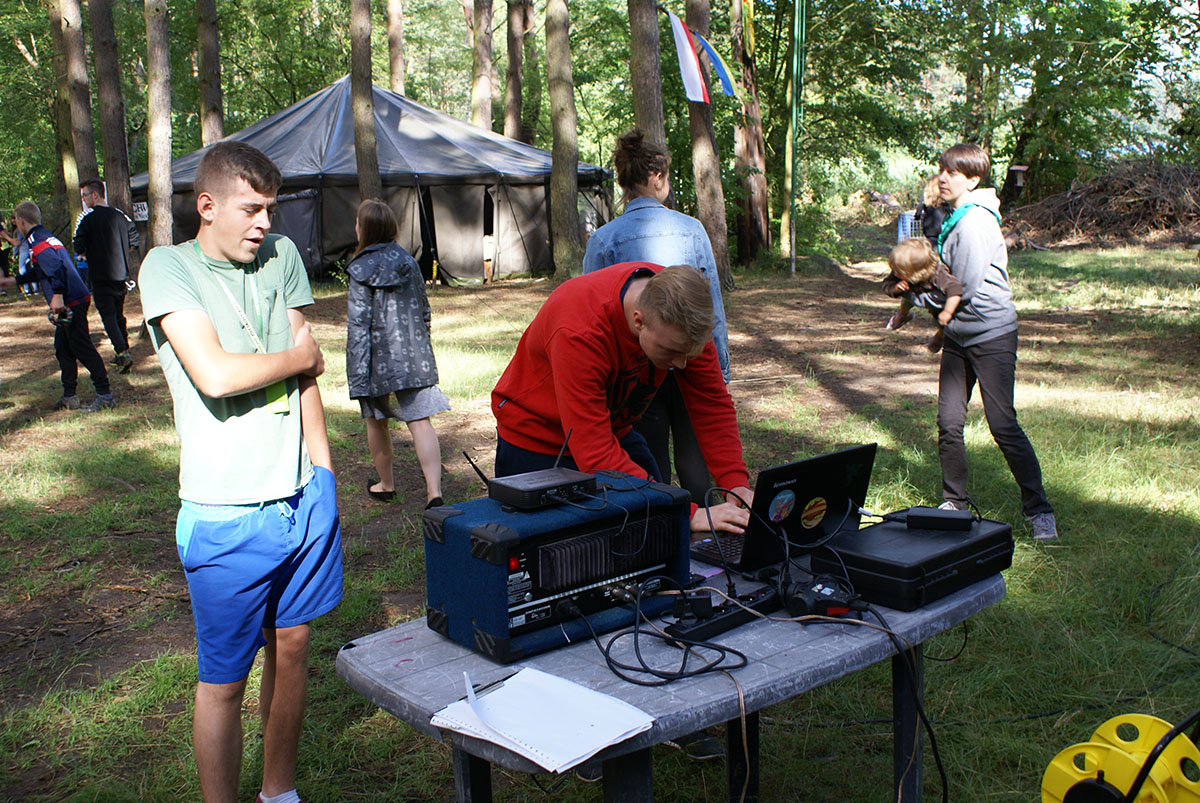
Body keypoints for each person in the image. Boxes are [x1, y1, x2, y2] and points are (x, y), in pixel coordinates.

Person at [139, 140, 342, 803]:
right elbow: (217, 375)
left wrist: (324, 474)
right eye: (251, 209)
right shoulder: (168, 267)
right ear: (207, 205)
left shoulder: (280, 256)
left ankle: (278, 791)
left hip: (302, 497)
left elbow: (308, 373)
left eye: (270, 209)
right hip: (225, 513)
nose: (265, 223)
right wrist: (300, 357)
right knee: (224, 680)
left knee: (293, 645)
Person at [492, 262, 752, 535]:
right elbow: (595, 452)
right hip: (537, 441)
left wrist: (735, 484)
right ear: (639, 321)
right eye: (672, 352)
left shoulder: (686, 310)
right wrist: (684, 512)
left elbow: (711, 404)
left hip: (612, 432)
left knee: (654, 534)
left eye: (689, 354)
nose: (682, 364)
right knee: (564, 548)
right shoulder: (580, 330)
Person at [582, 130, 731, 504]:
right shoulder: (691, 229)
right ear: (658, 176)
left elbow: (593, 308)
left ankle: (665, 523)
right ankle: (710, 529)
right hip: (692, 362)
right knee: (696, 464)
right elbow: (710, 305)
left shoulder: (604, 239)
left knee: (651, 465)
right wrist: (721, 369)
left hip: (638, 369)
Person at [934, 143, 1057, 541]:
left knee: (1002, 425)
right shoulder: (953, 217)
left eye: (952, 173)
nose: (942, 178)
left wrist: (915, 296)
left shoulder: (973, 222)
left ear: (972, 180)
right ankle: (954, 503)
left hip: (991, 335)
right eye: (941, 170)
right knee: (949, 422)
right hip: (959, 336)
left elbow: (962, 289)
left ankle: (1039, 510)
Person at [345, 199, 448, 508]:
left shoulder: (359, 269)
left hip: (375, 361)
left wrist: (357, 372)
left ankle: (386, 484)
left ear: (364, 228)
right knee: (420, 421)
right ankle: (434, 493)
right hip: (414, 356)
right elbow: (424, 311)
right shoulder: (409, 263)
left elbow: (358, 325)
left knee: (375, 421)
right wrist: (422, 346)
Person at [12, 200, 115, 412]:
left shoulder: (37, 241)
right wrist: (15, 281)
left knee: (81, 347)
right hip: (74, 298)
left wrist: (57, 296)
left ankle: (105, 395)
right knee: (63, 348)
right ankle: (70, 396)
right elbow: (42, 270)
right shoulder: (43, 236)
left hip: (71, 300)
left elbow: (56, 268)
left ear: (21, 221)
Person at [74, 179, 140, 373]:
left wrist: (90, 252)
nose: (84, 200)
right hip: (121, 275)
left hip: (101, 276)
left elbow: (78, 245)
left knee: (109, 316)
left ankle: (122, 352)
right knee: (118, 315)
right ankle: (124, 349)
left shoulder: (88, 219)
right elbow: (134, 240)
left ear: (95, 195)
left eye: (85, 195)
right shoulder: (120, 217)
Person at [881, 237, 962, 353]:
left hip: (937, 301)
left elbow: (955, 289)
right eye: (894, 269)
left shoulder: (938, 274)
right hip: (913, 292)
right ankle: (902, 314)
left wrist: (948, 311)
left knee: (941, 321)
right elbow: (887, 284)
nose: (896, 273)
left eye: (900, 272)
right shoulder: (900, 270)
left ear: (917, 272)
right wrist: (895, 288)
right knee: (907, 298)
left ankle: (940, 337)